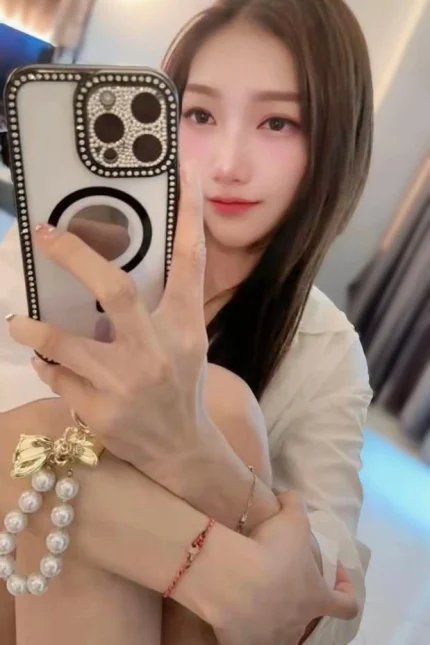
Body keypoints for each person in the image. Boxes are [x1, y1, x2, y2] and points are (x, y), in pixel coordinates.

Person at [0, 0, 374, 643]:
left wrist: (194, 452)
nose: (228, 163)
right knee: (56, 439)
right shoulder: (61, 251)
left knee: (220, 409)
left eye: (278, 122)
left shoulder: (325, 349)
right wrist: (216, 564)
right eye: (200, 114)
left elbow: (328, 613)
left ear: (335, 142)